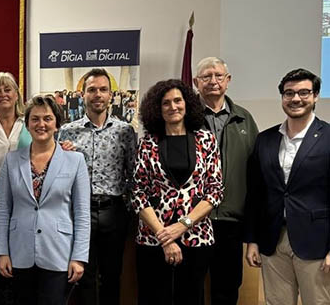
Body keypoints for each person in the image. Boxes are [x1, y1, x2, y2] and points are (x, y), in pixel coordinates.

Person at [131, 79, 223, 305]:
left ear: (187, 104)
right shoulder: (147, 143)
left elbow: (215, 190)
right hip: (154, 237)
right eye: (165, 103)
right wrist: (165, 236)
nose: (173, 107)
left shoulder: (206, 140)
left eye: (177, 101)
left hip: (196, 236)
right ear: (157, 109)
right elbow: (138, 193)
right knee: (153, 298)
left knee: (191, 297)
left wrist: (182, 226)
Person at [0, 94, 90, 305]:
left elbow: (82, 213)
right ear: (27, 124)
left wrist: (79, 257)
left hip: (59, 253)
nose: (41, 124)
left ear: (57, 123)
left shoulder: (75, 160)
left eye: (47, 118)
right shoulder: (11, 160)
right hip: (19, 253)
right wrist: (1, 252)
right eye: (35, 119)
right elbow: (3, 209)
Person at [244, 68, 330, 304]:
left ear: (315, 97)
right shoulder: (265, 139)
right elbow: (255, 194)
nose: (295, 99)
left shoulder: (328, 137)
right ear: (282, 97)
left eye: (304, 92)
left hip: (317, 242)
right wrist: (252, 239)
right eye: (289, 93)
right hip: (273, 239)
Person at [58, 69, 137, 305]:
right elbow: (57, 173)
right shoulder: (68, 131)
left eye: (103, 89)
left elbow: (132, 173)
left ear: (111, 95)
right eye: (92, 90)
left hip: (114, 211)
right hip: (80, 212)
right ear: (82, 95)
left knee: (112, 276)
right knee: (84, 275)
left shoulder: (125, 131)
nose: (97, 95)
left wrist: (130, 211)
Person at [192, 57, 258, 305]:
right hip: (194, 220)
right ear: (197, 82)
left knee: (227, 288)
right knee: (191, 287)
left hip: (231, 221)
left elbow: (255, 172)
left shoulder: (244, 119)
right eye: (206, 76)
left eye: (218, 76)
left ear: (228, 81)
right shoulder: (185, 117)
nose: (213, 81)